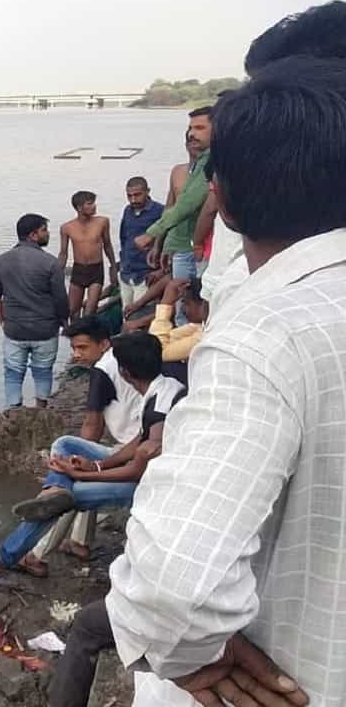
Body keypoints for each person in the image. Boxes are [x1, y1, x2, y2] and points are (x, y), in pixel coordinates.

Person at [105, 45, 346, 707]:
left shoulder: (263, 333)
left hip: (284, 676)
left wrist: (186, 654)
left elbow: (174, 586)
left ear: (224, 202)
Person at [0, 331, 185, 578]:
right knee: (66, 445)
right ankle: (55, 489)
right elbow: (139, 440)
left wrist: (83, 475)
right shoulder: (166, 388)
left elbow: (138, 471)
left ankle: (4, 557)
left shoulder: (158, 409)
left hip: (151, 487)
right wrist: (98, 465)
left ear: (124, 373)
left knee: (69, 497)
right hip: (145, 473)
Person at [24, 316, 149, 572]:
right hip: (137, 446)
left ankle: (38, 553)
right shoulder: (121, 360)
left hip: (130, 451)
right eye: (73, 348)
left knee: (66, 452)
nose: (76, 354)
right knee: (76, 466)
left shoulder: (103, 369)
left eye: (82, 347)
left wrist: (73, 467)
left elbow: (92, 425)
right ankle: (79, 540)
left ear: (103, 344)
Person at [135, 107, 212, 323]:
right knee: (182, 306)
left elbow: (191, 204)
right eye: (190, 129)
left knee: (202, 306)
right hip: (182, 247)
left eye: (199, 128)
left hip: (203, 248)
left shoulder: (213, 163)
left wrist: (151, 234)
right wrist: (164, 245)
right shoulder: (182, 171)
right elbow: (172, 207)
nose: (192, 134)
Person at [0, 214, 69, 408]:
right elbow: (60, 299)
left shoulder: (1, 261)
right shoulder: (50, 263)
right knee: (43, 370)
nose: (47, 234)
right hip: (45, 330)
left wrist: (3, 322)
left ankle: (13, 410)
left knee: (13, 373)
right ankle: (41, 408)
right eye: (44, 230)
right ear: (33, 235)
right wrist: (64, 322)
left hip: (14, 330)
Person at [57, 191, 117, 321]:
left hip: (96, 269)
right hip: (78, 270)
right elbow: (63, 253)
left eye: (93, 203)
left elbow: (107, 245)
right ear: (79, 208)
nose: (94, 206)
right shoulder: (67, 227)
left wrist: (113, 266)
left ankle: (88, 331)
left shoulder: (102, 222)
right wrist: (57, 273)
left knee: (90, 311)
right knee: (73, 311)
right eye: (89, 204)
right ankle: (74, 333)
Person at [117, 177, 164, 312]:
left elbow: (167, 241)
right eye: (129, 196)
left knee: (141, 313)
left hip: (147, 274)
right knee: (126, 312)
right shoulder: (127, 210)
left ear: (147, 191)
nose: (133, 200)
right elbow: (123, 238)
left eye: (137, 195)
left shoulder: (160, 211)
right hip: (127, 272)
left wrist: (160, 271)